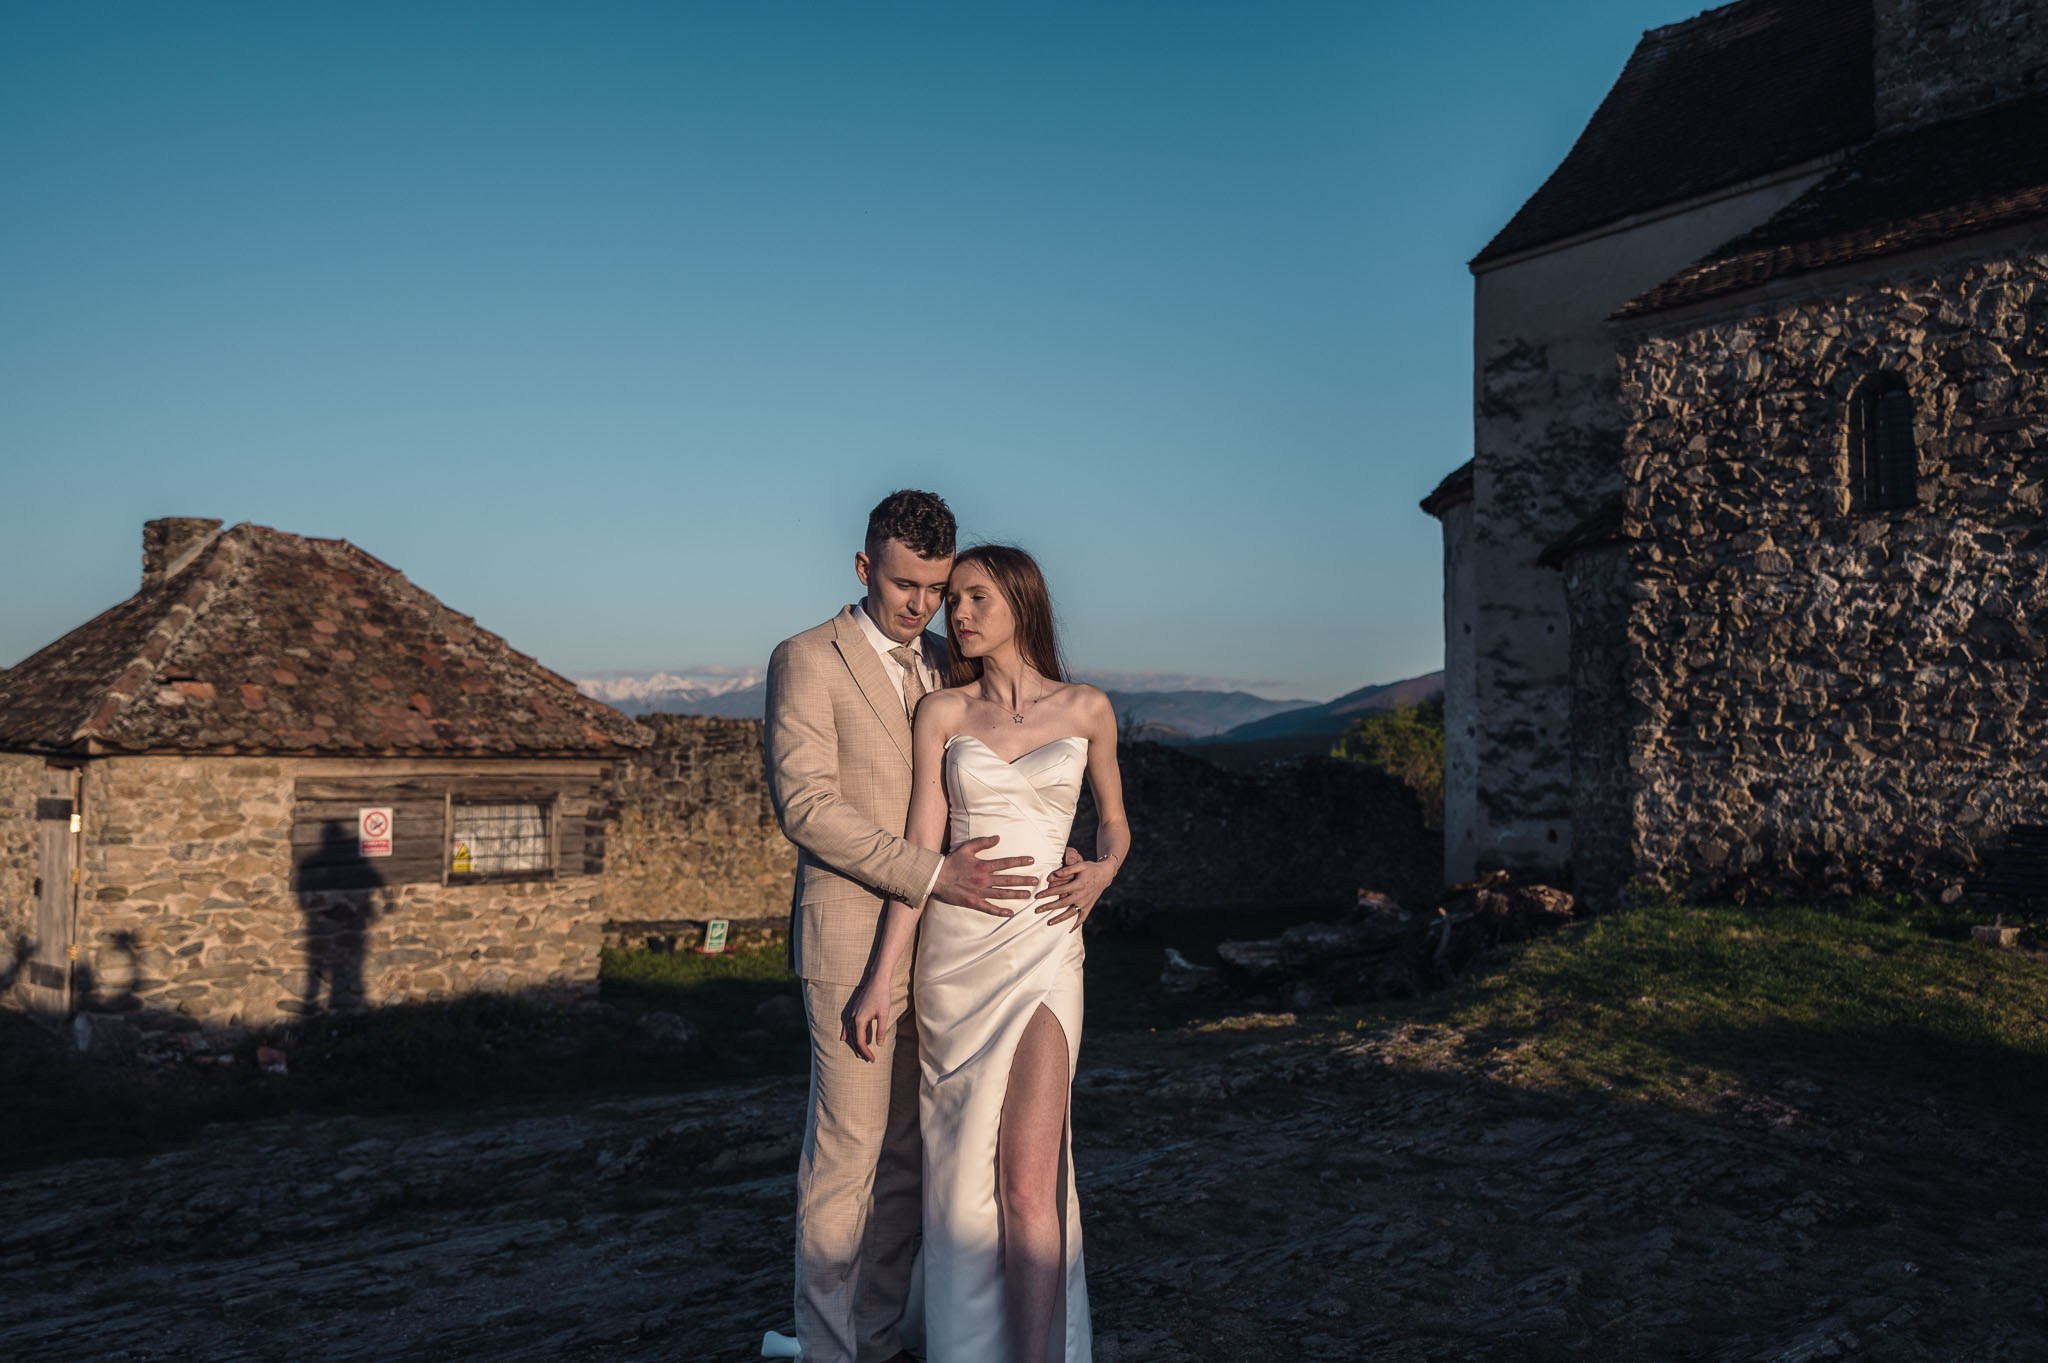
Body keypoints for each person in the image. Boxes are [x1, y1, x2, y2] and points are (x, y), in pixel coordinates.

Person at [763, 492, 1085, 1363]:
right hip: (852, 942)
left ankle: (876, 1340)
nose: (921, 604)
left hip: (956, 955)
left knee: (913, 1168)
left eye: (937, 588)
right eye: (906, 584)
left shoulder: (954, 660)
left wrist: (1063, 851)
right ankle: (829, 1354)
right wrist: (935, 872)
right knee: (844, 1172)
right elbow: (807, 807)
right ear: (865, 568)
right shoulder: (805, 659)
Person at [844, 544, 1129, 1362]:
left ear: (1019, 601)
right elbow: (919, 848)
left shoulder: (1087, 708)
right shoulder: (942, 713)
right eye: (952, 600)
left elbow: (1113, 819)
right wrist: (876, 978)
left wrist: (1103, 872)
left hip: (1046, 944)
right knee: (964, 1183)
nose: (955, 614)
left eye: (973, 598)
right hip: (957, 957)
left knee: (1029, 1180)